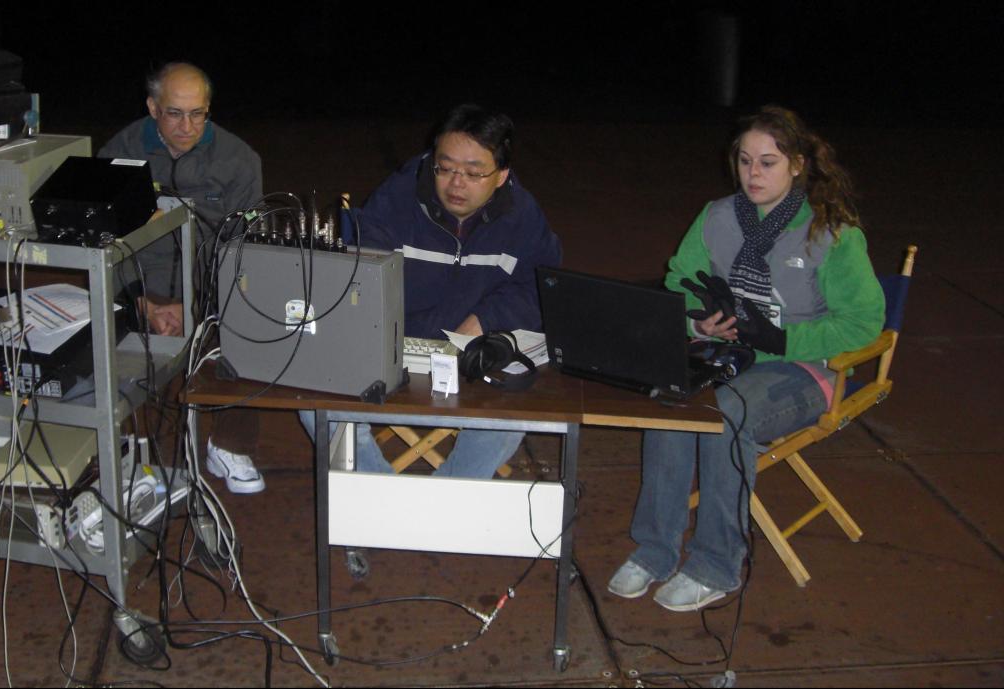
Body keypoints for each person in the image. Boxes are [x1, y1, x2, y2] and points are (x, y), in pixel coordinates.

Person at [607, 105, 885, 611]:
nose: (753, 174)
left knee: (726, 412)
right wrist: (699, 319)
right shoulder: (717, 217)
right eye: (744, 161)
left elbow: (863, 324)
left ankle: (716, 563)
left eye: (768, 162)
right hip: (727, 353)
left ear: (798, 165)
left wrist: (779, 339)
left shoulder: (832, 233)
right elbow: (678, 280)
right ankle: (655, 549)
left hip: (804, 369)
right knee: (668, 394)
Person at [302, 104, 562, 478]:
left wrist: (484, 320)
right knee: (309, 387)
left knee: (517, 406)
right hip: (391, 348)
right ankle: (382, 495)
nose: (456, 184)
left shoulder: (522, 216)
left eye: (474, 173)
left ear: (502, 175)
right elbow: (360, 277)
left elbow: (542, 285)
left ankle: (440, 504)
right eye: (446, 168)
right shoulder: (395, 201)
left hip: (471, 357)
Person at [99, 62, 266, 493]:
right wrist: (140, 301)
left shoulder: (239, 159)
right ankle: (118, 448)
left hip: (207, 288)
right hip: (138, 286)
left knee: (258, 328)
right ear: (153, 108)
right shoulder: (120, 151)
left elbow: (244, 251)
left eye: (198, 113)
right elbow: (100, 244)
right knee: (88, 335)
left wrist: (195, 305)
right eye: (175, 113)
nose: (187, 126)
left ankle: (229, 445)